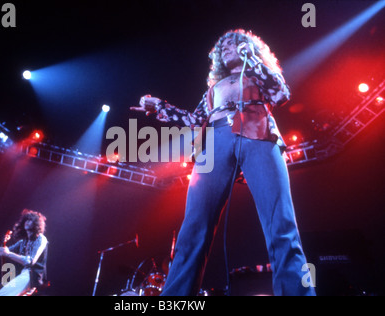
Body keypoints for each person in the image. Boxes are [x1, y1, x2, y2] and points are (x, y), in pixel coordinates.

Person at [130, 29, 315, 296]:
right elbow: (195, 120)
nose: (226, 47)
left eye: (234, 43)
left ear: (248, 47)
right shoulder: (214, 88)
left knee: (280, 224)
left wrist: (251, 60)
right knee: (194, 226)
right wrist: (160, 106)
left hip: (258, 132)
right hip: (216, 139)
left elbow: (280, 94)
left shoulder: (258, 73)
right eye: (222, 46)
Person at [0, 209, 48, 296]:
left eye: (30, 220)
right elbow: (3, 251)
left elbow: (30, 261)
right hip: (24, 274)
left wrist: (9, 254)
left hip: (32, 277)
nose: (27, 222)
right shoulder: (23, 242)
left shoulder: (41, 239)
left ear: (36, 224)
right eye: (26, 220)